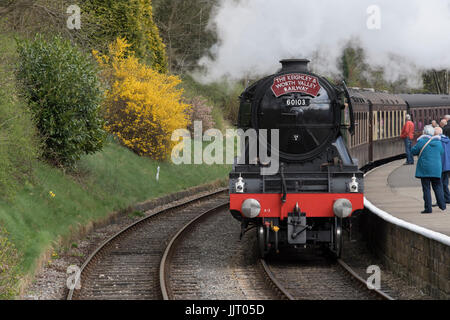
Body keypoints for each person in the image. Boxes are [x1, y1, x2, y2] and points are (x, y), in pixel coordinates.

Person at [411, 125, 445, 214]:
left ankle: (428, 208)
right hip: (436, 169)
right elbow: (441, 152)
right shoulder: (438, 142)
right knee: (438, 186)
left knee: (426, 189)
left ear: (424, 132)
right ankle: (442, 205)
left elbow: (413, 151)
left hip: (425, 169)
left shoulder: (421, 141)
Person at [436, 126, 450, 205]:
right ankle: (447, 198)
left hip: (440, 165)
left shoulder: (438, 142)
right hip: (447, 165)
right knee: (445, 183)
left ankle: (441, 200)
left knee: (439, 183)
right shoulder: (448, 141)